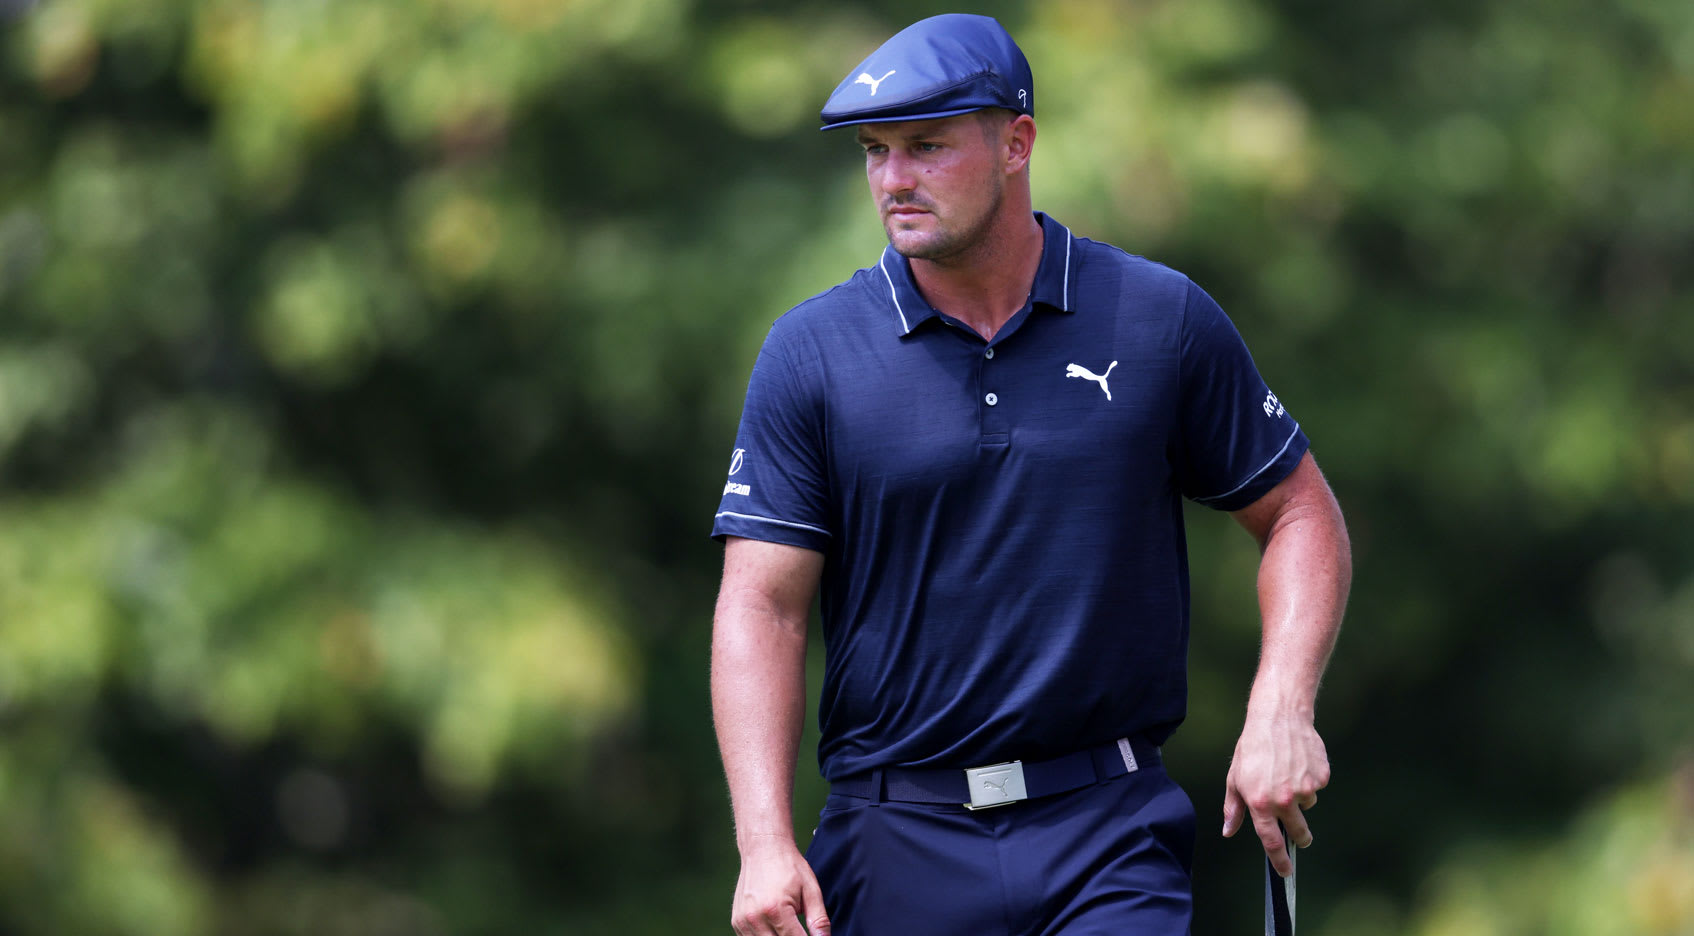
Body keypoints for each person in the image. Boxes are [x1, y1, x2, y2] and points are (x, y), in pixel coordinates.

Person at [710, 13, 1350, 936]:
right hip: (893, 840)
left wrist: (1281, 709)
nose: (894, 180)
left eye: (926, 147)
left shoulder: (1156, 318)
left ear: (1017, 144)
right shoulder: (812, 353)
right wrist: (763, 844)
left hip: (1108, 832)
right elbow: (761, 607)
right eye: (876, 152)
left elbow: (1300, 514)